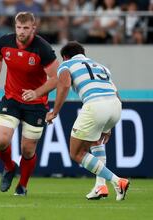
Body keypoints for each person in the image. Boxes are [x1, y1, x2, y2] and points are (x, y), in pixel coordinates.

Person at [45, 41, 130, 201]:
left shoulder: (66, 65)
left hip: (95, 105)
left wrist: (54, 112)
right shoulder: (101, 66)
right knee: (97, 142)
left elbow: (63, 86)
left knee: (76, 153)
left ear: (65, 57)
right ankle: (100, 186)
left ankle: (118, 181)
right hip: (116, 105)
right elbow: (115, 92)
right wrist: (108, 126)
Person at [0, 11, 59, 196]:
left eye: (26, 28)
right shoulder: (4, 42)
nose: (21, 31)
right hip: (11, 98)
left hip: (36, 104)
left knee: (27, 151)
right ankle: (9, 166)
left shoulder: (42, 49)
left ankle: (22, 186)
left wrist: (36, 92)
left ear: (33, 28)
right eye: (19, 27)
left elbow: (55, 78)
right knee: (0, 142)